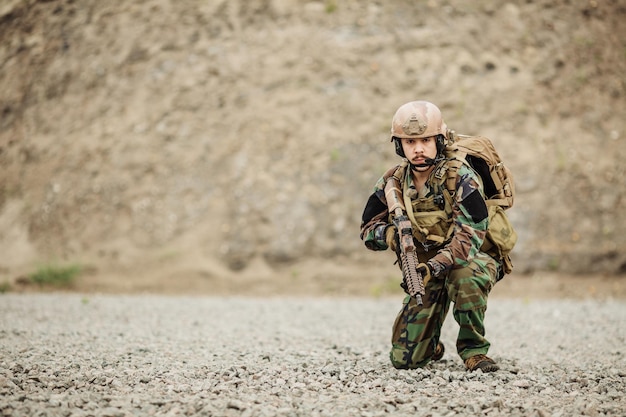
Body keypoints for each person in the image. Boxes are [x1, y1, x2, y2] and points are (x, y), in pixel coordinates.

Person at [360, 100, 502, 372]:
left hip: (470, 260)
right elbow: (367, 229)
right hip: (425, 271)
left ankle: (474, 350)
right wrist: (391, 235)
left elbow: (470, 237)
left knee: (464, 277)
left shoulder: (460, 176)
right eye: (410, 142)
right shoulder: (393, 182)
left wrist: (435, 265)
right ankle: (431, 344)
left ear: (439, 139)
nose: (418, 149)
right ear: (399, 145)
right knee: (405, 361)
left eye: (425, 140)